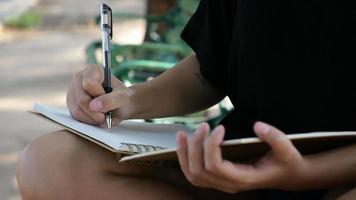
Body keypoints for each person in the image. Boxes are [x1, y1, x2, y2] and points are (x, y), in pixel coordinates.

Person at [16, 0, 356, 199]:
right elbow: (210, 69)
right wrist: (129, 99)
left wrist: (306, 173)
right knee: (49, 161)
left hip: (341, 177)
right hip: (235, 158)